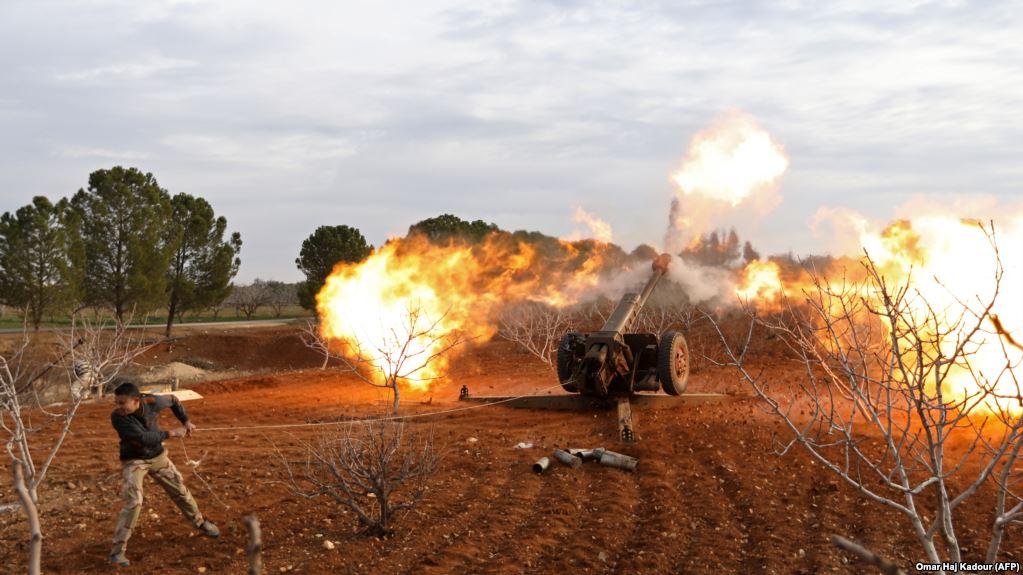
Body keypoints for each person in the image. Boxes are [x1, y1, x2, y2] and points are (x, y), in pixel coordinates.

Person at [108, 382, 219, 567]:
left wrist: (186, 421)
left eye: (121, 403)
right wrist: (172, 433)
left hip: (158, 457)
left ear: (136, 401)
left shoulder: (152, 401)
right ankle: (117, 552)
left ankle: (200, 523)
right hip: (134, 461)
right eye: (116, 402)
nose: (118, 407)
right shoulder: (118, 418)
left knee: (181, 491)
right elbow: (143, 439)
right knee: (134, 502)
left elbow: (174, 400)